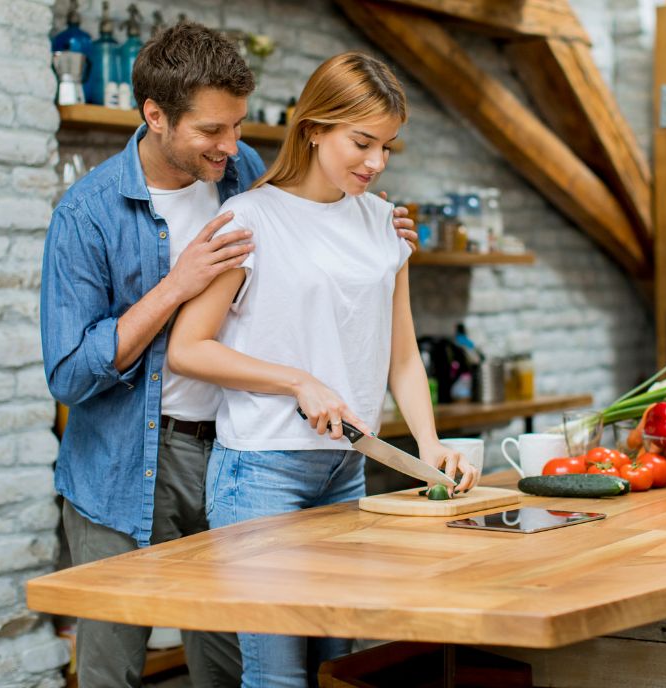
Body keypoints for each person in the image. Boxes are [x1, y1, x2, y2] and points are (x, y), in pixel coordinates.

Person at [41, 23, 417, 687]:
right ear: (155, 116)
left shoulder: (239, 178)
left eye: (238, 125)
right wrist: (173, 287)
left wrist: (376, 229)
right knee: (113, 668)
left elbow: (312, 219)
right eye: (212, 130)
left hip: (238, 454)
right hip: (129, 459)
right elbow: (70, 374)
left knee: (224, 667)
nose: (232, 146)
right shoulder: (88, 213)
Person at [166, 51, 481, 688]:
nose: (375, 162)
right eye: (361, 142)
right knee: (278, 677)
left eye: (387, 147)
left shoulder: (384, 225)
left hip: (346, 469)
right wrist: (297, 380)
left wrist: (428, 444)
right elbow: (189, 349)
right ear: (313, 127)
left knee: (343, 671)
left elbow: (401, 353)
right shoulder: (251, 220)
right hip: (261, 474)